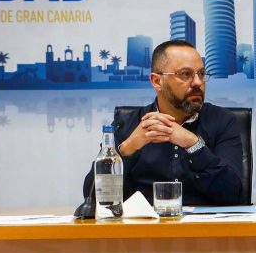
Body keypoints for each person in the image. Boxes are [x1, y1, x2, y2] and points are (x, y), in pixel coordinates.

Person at [83, 39, 244, 206]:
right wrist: (127, 149)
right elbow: (93, 198)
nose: (198, 83)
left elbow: (234, 194)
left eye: (201, 74)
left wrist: (193, 144)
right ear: (157, 81)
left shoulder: (222, 121)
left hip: (203, 229)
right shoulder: (127, 124)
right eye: (186, 74)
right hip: (145, 229)